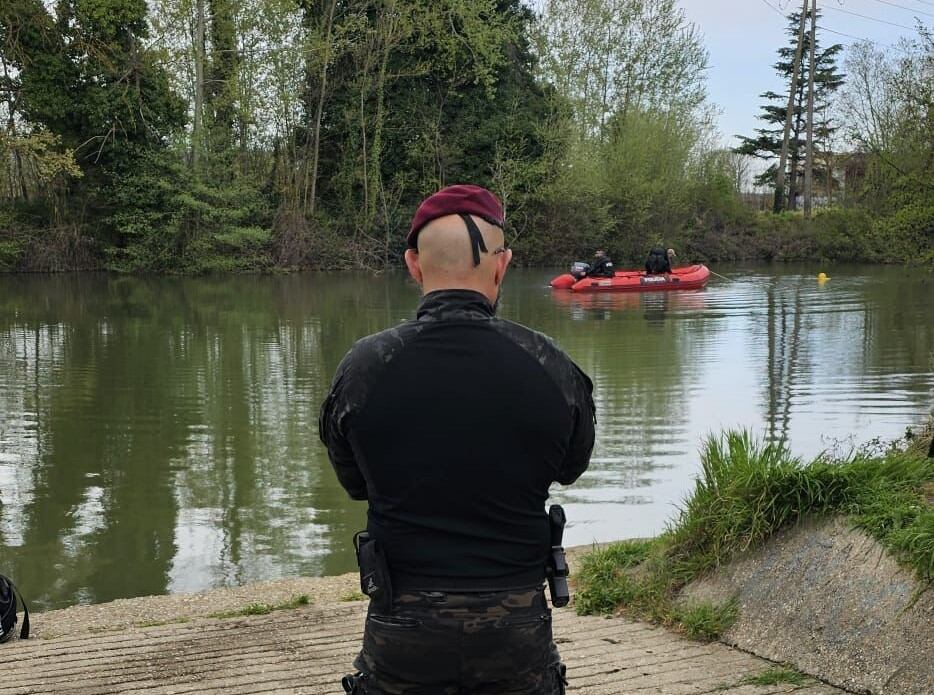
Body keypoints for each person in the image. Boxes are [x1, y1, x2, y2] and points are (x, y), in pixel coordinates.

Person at [319, 184, 596, 695]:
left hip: (402, 626)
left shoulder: (363, 368)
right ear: (502, 264)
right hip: (516, 628)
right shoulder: (550, 365)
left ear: (414, 265)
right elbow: (572, 467)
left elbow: (355, 482)